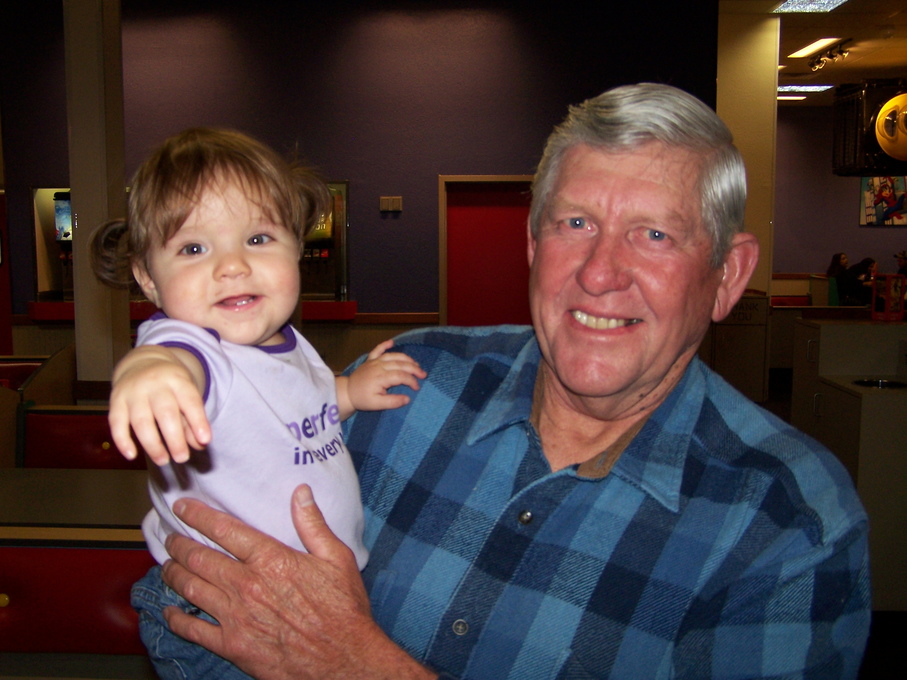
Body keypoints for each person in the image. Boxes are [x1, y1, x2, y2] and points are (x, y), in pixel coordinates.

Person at [114, 85, 870, 679]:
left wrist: (353, 665)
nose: (600, 273)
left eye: (654, 234)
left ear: (728, 275)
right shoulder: (409, 382)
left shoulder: (788, 527)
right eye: (575, 224)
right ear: (533, 247)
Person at [92, 127, 425, 680]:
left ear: (297, 247)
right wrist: (148, 376)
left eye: (258, 238)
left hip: (320, 594)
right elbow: (170, 360)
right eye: (194, 248)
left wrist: (350, 391)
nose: (232, 266)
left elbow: (299, 409)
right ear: (148, 279)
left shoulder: (291, 347)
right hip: (223, 610)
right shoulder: (195, 346)